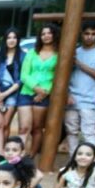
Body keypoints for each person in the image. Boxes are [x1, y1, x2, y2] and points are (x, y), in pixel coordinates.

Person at [65, 21, 95, 153]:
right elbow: (66, 77)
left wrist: (78, 63)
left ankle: (91, 162)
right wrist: (67, 94)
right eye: (87, 33)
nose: (89, 37)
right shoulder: (75, 51)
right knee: (71, 132)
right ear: (81, 34)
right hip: (71, 98)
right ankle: (73, 161)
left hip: (90, 100)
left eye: (93, 34)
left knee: (89, 133)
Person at [18, 24, 59, 159]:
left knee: (36, 128)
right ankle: (17, 157)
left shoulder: (59, 54)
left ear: (54, 35)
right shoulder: (32, 53)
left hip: (45, 94)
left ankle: (31, 157)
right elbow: (24, 75)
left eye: (49, 33)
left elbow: (59, 77)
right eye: (43, 34)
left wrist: (45, 92)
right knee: (24, 128)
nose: (46, 36)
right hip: (26, 92)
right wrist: (37, 89)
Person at [0, 29, 25, 157]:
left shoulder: (22, 56)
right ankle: (0, 153)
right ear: (5, 40)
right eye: (9, 37)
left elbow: (20, 80)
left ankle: (6, 152)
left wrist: (4, 94)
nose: (11, 40)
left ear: (18, 40)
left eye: (14, 37)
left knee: (5, 124)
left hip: (12, 94)